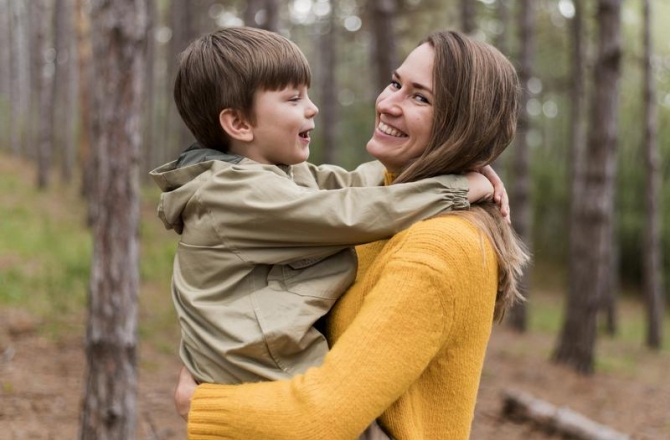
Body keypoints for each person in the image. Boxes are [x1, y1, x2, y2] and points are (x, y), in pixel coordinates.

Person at [174, 29, 530, 440]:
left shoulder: (439, 248)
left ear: (462, 126)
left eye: (420, 97)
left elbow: (321, 418)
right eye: (396, 83)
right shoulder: (383, 209)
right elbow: (354, 196)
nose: (388, 103)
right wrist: (454, 177)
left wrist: (195, 403)